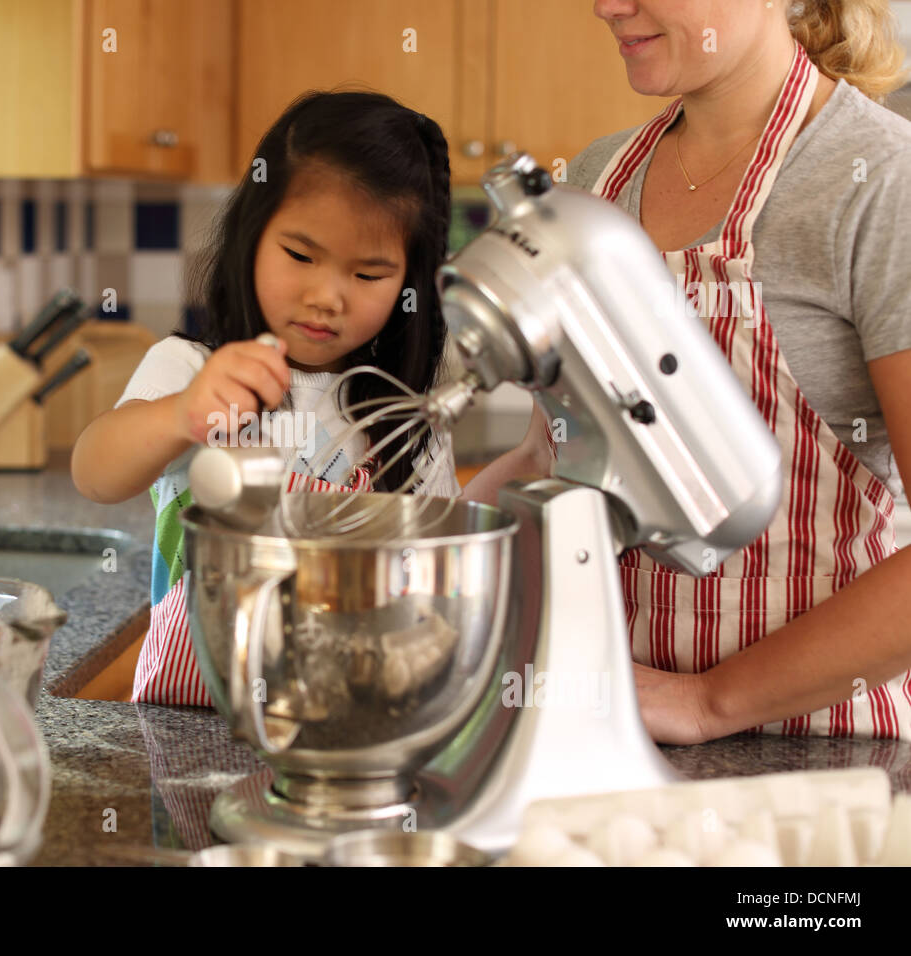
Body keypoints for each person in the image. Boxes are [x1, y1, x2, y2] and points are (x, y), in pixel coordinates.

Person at [464, 0, 911, 743]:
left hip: (816, 766)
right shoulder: (596, 181)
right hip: (609, 735)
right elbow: (553, 454)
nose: (608, 6)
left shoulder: (881, 183)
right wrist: (414, 553)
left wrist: (707, 701)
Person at [72, 90, 462, 706]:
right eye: (301, 255)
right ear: (253, 236)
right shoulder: (192, 370)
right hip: (193, 721)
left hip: (348, 722)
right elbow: (94, 473)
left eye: (367, 275)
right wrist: (181, 414)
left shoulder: (404, 422)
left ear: (409, 285)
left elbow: (443, 579)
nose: (327, 296)